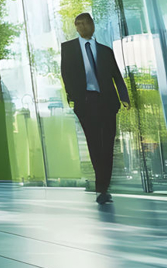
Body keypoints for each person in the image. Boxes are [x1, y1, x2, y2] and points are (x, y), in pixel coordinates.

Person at [62, 12, 130, 205]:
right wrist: (74, 99)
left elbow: (116, 75)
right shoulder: (68, 49)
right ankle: (101, 187)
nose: (82, 27)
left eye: (85, 23)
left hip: (107, 102)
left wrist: (124, 97)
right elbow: (66, 74)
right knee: (94, 144)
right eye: (78, 24)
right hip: (86, 102)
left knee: (107, 145)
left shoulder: (105, 50)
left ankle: (103, 188)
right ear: (76, 27)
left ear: (92, 25)